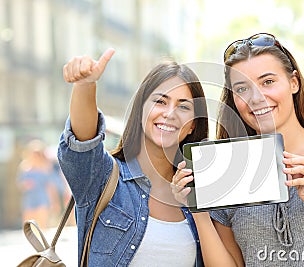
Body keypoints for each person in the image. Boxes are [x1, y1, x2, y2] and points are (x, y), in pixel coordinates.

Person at [172, 33, 304, 266]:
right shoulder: (226, 167)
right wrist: (198, 211)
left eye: (268, 82)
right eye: (242, 89)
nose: (256, 97)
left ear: (294, 83)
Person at [58, 48, 208, 266]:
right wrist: (85, 84)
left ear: (193, 124)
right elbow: (83, 142)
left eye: (183, 106)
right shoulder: (103, 177)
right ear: (140, 109)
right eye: (160, 101)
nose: (170, 113)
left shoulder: (201, 190)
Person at [17, 139, 63, 229]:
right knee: (28, 226)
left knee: (42, 225)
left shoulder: (46, 168)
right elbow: (20, 183)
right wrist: (25, 185)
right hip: (29, 199)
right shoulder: (24, 166)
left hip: (42, 199)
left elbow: (51, 186)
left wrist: (55, 202)